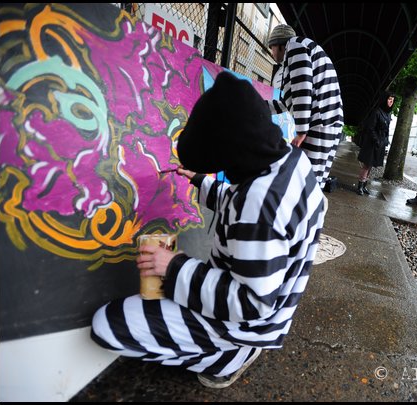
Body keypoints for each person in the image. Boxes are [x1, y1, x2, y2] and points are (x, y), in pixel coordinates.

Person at [90, 72, 326, 389]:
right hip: (272, 310)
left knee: (107, 325)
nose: (217, 169)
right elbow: (246, 206)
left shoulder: (257, 203)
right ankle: (234, 345)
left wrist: (173, 267)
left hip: (245, 324)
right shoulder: (293, 162)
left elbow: (251, 302)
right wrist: (200, 181)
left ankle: (228, 357)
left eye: (217, 163)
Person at [265, 24, 344, 189]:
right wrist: (257, 107)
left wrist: (301, 131)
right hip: (326, 120)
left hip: (320, 121)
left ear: (279, 43)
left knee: (305, 182)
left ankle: (304, 213)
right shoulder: (301, 48)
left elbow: (302, 89)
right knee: (314, 181)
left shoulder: (295, 46)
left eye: (271, 47)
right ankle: (310, 213)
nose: (271, 53)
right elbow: (288, 101)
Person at [356, 91, 396, 195]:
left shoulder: (387, 114)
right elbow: (370, 128)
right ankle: (360, 185)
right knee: (366, 165)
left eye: (392, 100)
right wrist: (376, 140)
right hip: (372, 142)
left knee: (371, 165)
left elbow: (386, 129)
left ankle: (364, 185)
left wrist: (386, 141)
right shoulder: (377, 112)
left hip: (380, 143)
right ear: (384, 100)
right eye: (389, 99)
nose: (391, 102)